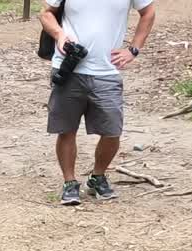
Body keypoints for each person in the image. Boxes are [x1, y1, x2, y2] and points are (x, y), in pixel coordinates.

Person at [40, 0, 156, 206]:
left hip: (107, 71)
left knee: (112, 130)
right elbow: (46, 13)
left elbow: (148, 12)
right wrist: (59, 35)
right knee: (66, 129)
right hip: (68, 67)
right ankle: (70, 182)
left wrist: (134, 49)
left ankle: (98, 177)